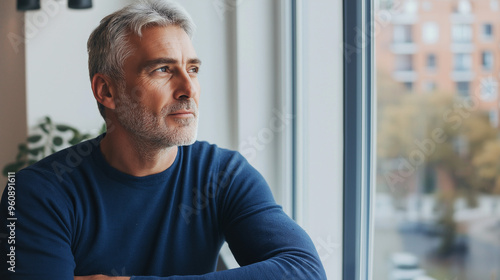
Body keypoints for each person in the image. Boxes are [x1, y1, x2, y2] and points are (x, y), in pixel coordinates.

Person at [0, 0, 327, 279]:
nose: (188, 89)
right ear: (107, 91)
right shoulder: (33, 193)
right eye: (162, 70)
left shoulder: (224, 174)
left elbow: (304, 270)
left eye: (193, 69)